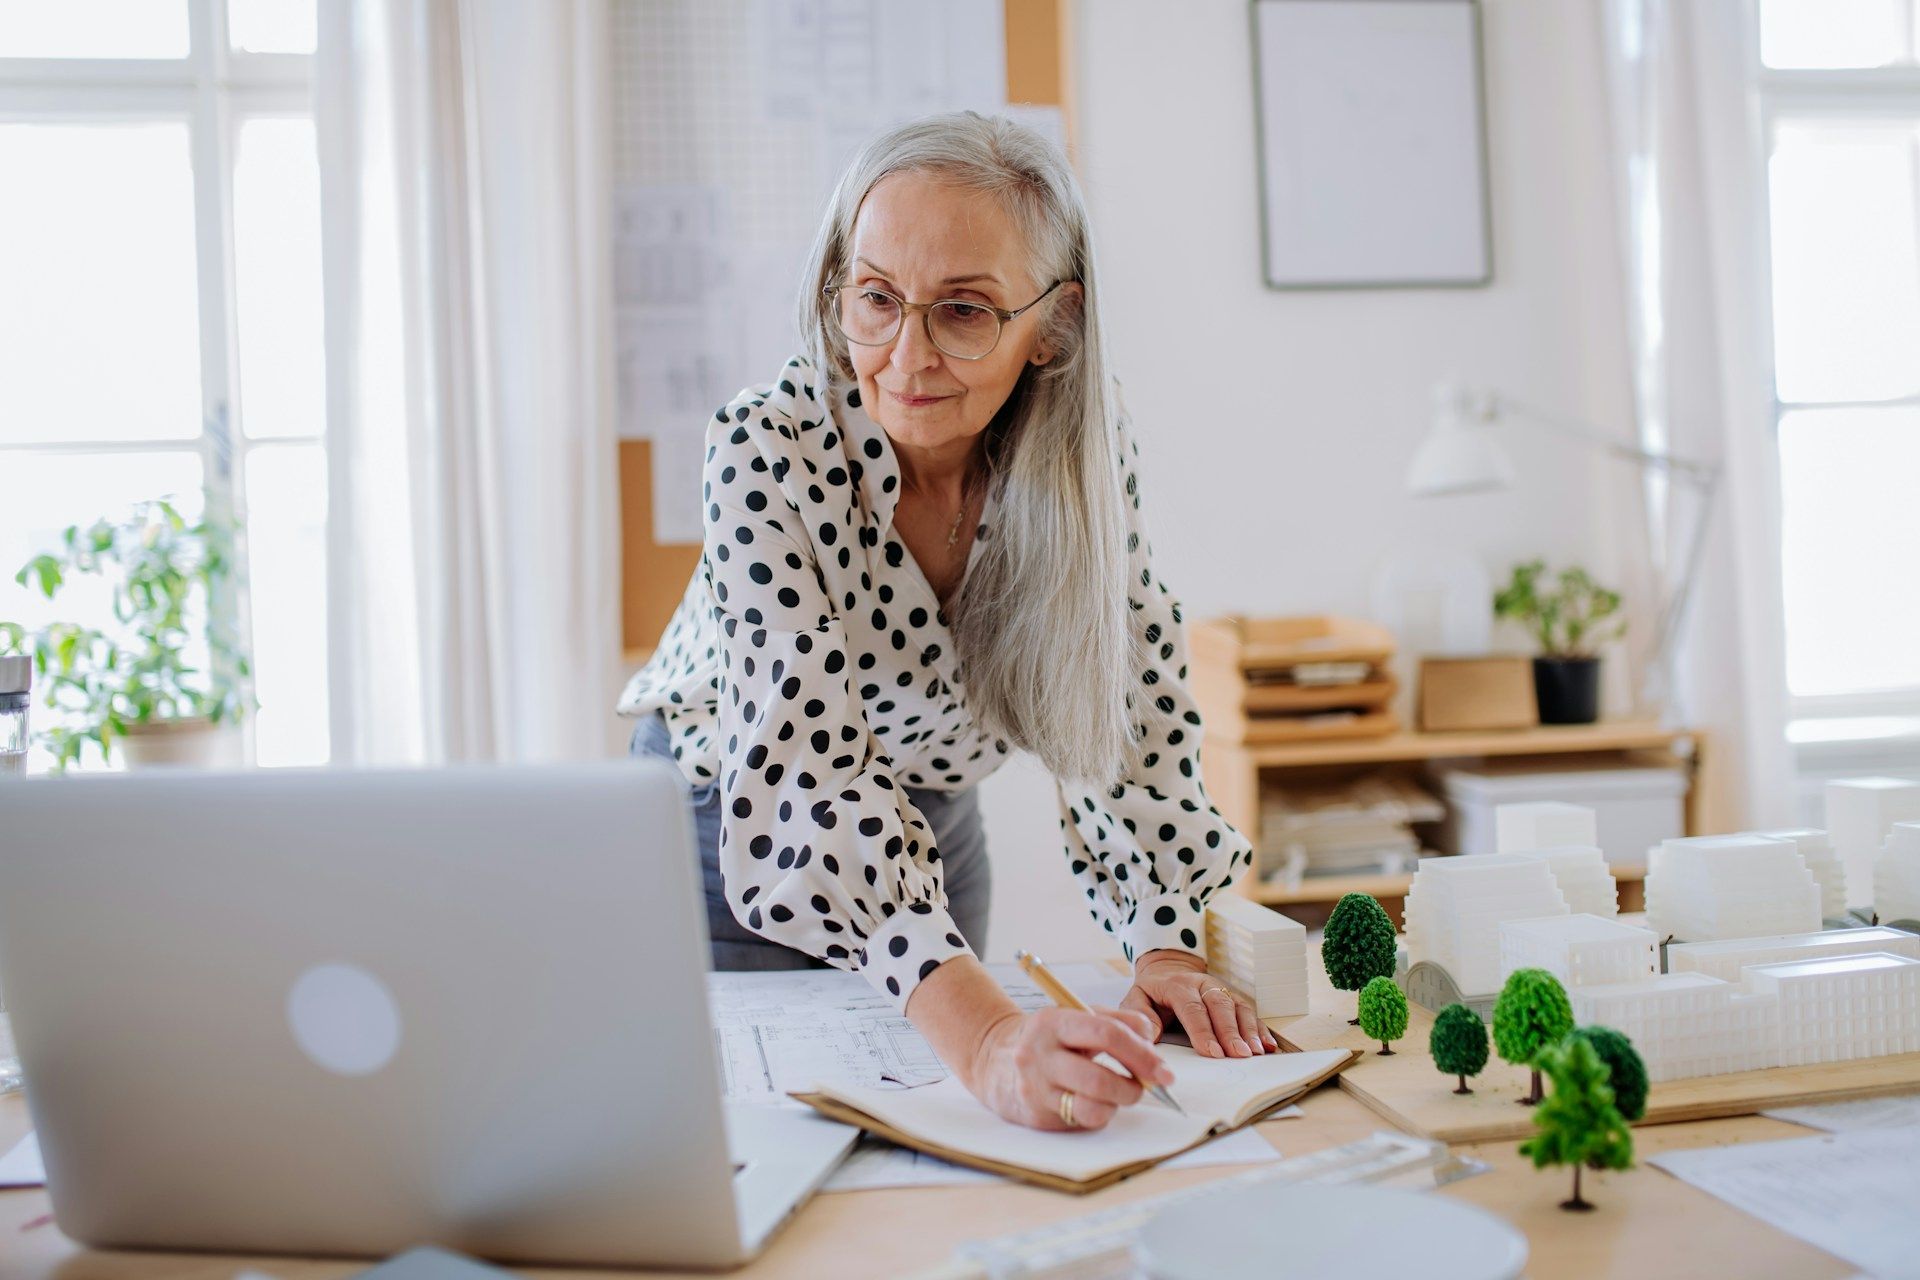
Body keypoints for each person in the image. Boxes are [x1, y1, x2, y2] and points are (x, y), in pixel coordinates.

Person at [620, 111, 1266, 1134]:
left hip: (929, 826)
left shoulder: (1080, 462)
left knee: (931, 1137)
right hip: (722, 827)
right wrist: (991, 1037)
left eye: (963, 311)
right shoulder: (766, 448)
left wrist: (1166, 943)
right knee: (743, 1141)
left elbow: (1124, 703)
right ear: (839, 290)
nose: (906, 356)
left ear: (1051, 324)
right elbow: (803, 780)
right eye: (876, 298)